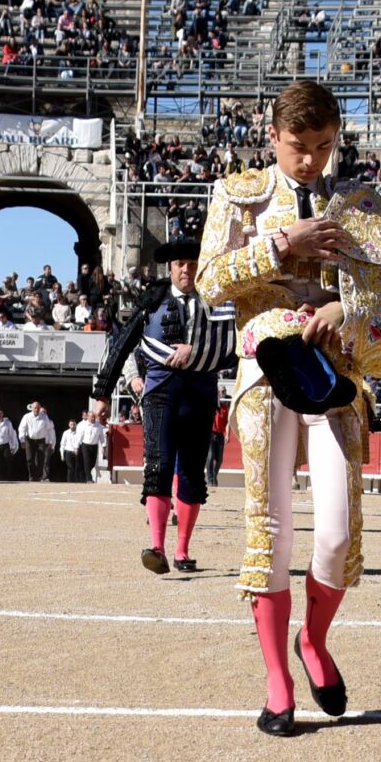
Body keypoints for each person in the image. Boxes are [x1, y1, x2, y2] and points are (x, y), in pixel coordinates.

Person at [198, 77, 381, 736]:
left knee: (336, 530)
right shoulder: (238, 196)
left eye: (323, 145)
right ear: (272, 136)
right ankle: (278, 682)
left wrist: (346, 308)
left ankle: (315, 640)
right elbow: (207, 281)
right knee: (270, 528)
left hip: (336, 374)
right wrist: (281, 245)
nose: (310, 160)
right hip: (265, 368)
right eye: (298, 145)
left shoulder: (359, 205)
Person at [92, 237, 237, 572]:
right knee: (158, 465)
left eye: (192, 263)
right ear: (169, 268)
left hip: (200, 393)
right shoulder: (153, 300)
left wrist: (195, 352)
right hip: (161, 394)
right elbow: (122, 343)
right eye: (180, 264)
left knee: (191, 473)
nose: (187, 269)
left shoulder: (219, 303)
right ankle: (157, 545)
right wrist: (103, 393)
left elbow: (232, 348)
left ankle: (183, 550)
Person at [19, 399, 56, 482]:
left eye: (38, 408)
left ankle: (39, 476)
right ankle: (32, 476)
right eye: (35, 408)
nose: (37, 410)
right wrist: (22, 440)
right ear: (32, 408)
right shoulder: (26, 416)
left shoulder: (44, 417)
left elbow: (49, 429)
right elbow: (22, 428)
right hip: (29, 440)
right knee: (29, 459)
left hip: (41, 441)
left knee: (41, 459)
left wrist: (50, 441)